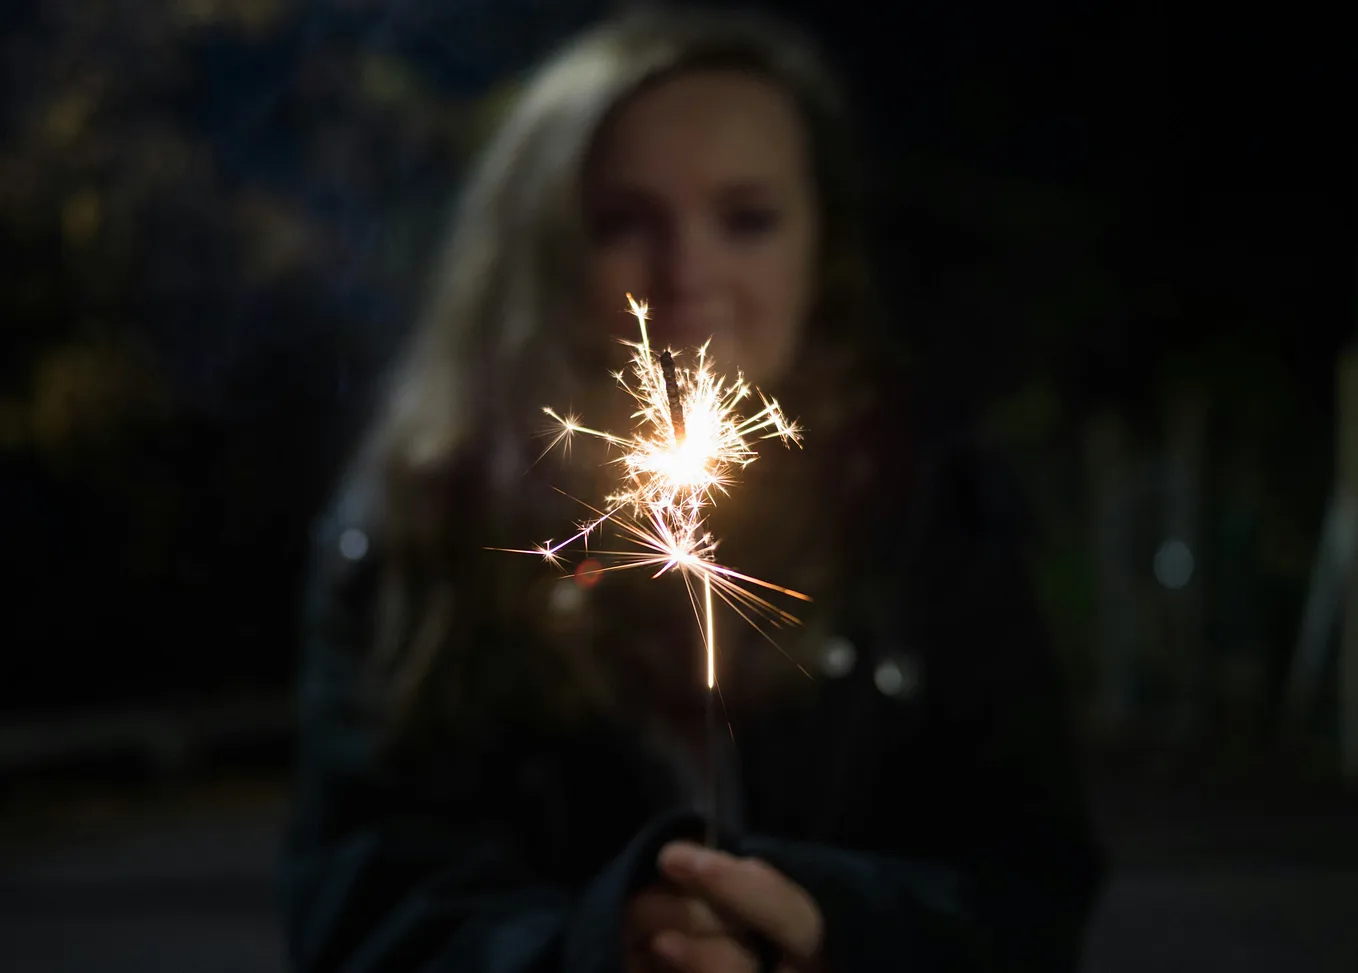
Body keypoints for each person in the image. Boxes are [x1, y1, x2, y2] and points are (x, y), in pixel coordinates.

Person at [285, 8, 1102, 972]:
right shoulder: (419, 532)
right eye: (623, 223)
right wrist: (598, 951)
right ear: (540, 248)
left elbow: (1025, 890)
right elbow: (366, 915)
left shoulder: (928, 519)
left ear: (821, 247)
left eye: (747, 218)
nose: (687, 275)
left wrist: (831, 925)